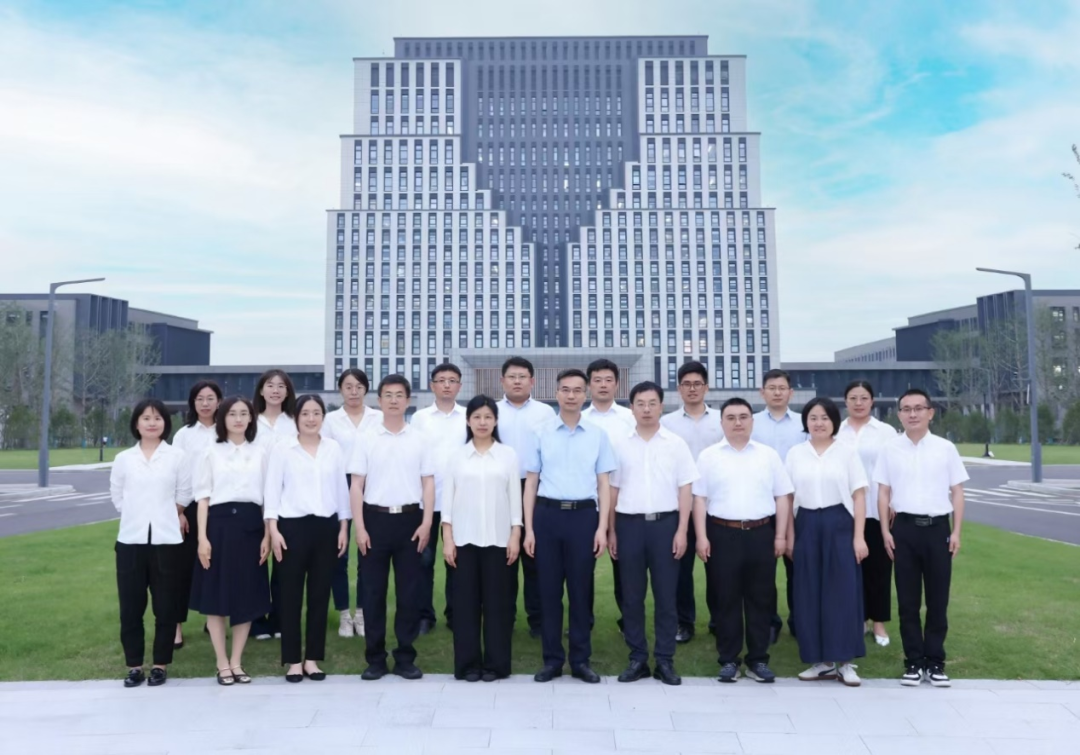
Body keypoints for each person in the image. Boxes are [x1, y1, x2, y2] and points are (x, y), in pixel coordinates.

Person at [523, 368, 616, 684]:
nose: (571, 395)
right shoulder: (541, 432)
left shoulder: (598, 435)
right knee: (548, 592)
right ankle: (552, 660)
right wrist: (529, 529)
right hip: (547, 516)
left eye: (578, 390)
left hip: (583, 517)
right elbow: (531, 483)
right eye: (566, 389)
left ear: (585, 394)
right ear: (557, 393)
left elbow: (603, 483)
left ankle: (580, 660)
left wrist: (602, 527)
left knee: (580, 591)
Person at [692, 397, 793, 684]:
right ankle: (728, 660)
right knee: (726, 598)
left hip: (761, 533)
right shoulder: (709, 456)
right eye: (731, 417)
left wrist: (780, 535)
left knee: (761, 598)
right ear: (722, 422)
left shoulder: (768, 455)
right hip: (721, 533)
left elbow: (782, 497)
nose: (738, 422)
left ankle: (758, 659)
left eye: (743, 417)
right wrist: (701, 537)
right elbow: (699, 499)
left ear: (752, 420)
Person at [875, 389, 968, 688]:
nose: (912, 414)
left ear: (930, 412)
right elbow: (883, 492)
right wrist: (885, 531)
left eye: (918, 408)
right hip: (904, 529)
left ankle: (935, 662)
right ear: (899, 414)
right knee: (908, 601)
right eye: (906, 409)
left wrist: (956, 531)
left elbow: (957, 492)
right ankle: (914, 662)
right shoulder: (890, 449)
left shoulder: (945, 448)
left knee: (938, 600)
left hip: (937, 529)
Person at [609, 381, 698, 686]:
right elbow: (612, 490)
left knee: (666, 596)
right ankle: (637, 658)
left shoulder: (676, 444)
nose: (646, 409)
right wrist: (611, 531)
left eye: (652, 403)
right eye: (640, 404)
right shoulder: (619, 444)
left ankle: (664, 660)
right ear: (631, 408)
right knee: (632, 596)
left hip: (666, 525)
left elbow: (685, 489)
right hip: (628, 525)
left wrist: (682, 530)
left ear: (661, 406)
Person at [348, 374, 435, 681]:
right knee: (373, 592)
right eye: (388, 395)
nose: (394, 400)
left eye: (400, 395)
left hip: (411, 521)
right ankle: (375, 658)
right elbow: (356, 485)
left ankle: (405, 657)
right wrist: (360, 527)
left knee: (409, 593)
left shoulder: (420, 438)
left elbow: (428, 482)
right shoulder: (366, 437)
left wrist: (427, 522)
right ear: (379, 400)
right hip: (375, 520)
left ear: (408, 400)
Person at [264, 395, 350, 683]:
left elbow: (341, 490)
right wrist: (273, 529)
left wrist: (343, 526)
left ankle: (312, 659)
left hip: (326, 528)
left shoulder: (333, 449)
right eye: (305, 414)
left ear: (323, 417)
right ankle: (292, 661)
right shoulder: (283, 449)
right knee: (289, 596)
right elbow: (272, 491)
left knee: (319, 595)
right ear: (296, 417)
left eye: (316, 413)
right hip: (291, 529)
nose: (311, 419)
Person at [785, 398, 869, 687]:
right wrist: (789, 536)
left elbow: (859, 496)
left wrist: (859, 537)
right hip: (806, 524)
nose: (818, 423)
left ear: (834, 421)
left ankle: (845, 662)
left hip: (840, 525)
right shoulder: (795, 454)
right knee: (809, 593)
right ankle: (821, 662)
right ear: (805, 422)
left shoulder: (846, 453)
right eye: (813, 417)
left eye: (824, 417)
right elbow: (788, 498)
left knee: (842, 593)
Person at [189, 396, 271, 686]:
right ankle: (221, 662)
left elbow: (267, 498)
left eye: (244, 413)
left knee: (245, 596)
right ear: (222, 418)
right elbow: (202, 498)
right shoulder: (210, 452)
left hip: (251, 527)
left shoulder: (260, 452)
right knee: (217, 597)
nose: (238, 419)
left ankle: (237, 661)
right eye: (232, 414)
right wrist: (202, 538)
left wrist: (267, 535)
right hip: (218, 527)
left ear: (251, 418)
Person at [109, 398, 191, 688]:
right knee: (130, 609)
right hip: (130, 541)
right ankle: (134, 666)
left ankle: (160, 664)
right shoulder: (124, 459)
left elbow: (184, 493)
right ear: (136, 423)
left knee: (166, 607)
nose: (152, 423)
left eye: (157, 418)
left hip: (167, 541)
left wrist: (164, 514)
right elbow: (117, 496)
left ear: (165, 423)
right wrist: (139, 515)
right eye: (146, 418)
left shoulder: (177, 456)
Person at [442, 395, 522, 681]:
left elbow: (515, 499)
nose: (482, 422)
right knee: (465, 606)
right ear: (468, 421)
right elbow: (447, 502)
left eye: (488, 417)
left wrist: (515, 534)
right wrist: (448, 539)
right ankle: (468, 665)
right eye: (477, 417)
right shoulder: (457, 457)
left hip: (500, 541)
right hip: (464, 541)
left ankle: (496, 665)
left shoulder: (508, 455)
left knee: (498, 606)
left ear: (496, 421)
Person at [660, 361, 722, 644]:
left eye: (697, 384)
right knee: (680, 570)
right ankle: (684, 623)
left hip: (716, 505)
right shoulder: (667, 423)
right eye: (687, 384)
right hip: (679, 506)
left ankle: (719, 620)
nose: (692, 389)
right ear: (679, 389)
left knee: (718, 569)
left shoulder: (721, 419)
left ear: (706, 387)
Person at [496, 356, 556, 637]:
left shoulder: (545, 413)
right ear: (502, 381)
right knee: (503, 558)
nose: (517, 381)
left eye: (522, 377)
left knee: (535, 558)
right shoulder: (492, 411)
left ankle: (538, 620)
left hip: (535, 488)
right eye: (512, 376)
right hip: (499, 490)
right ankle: (503, 618)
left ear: (532, 381)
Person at [322, 368, 383, 639]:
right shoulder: (330, 420)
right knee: (340, 552)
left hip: (372, 484)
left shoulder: (378, 418)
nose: (354, 391)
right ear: (341, 390)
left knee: (368, 551)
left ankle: (362, 612)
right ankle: (345, 614)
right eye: (348, 386)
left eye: (359, 386)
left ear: (366, 389)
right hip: (339, 484)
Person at [838, 380, 898, 647]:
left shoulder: (885, 432)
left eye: (864, 398)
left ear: (872, 401)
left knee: (879, 568)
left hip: (876, 508)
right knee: (852, 568)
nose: (858, 403)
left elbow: (895, 469)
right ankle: (859, 618)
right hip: (844, 509)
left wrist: (893, 500)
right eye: (853, 398)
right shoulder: (837, 430)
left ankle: (879, 622)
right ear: (845, 401)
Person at [410, 362, 467, 635]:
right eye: (441, 380)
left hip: (460, 502)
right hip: (427, 503)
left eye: (452, 380)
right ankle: (424, 616)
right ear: (432, 385)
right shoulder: (420, 418)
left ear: (459, 386)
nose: (446, 385)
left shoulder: (468, 416)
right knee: (423, 561)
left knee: (458, 562)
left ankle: (457, 614)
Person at [751, 368, 807, 644]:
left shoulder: (803, 424)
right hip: (762, 504)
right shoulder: (751, 423)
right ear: (762, 392)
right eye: (771, 388)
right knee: (764, 570)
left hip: (798, 504)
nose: (776, 392)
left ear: (790, 392)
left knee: (798, 566)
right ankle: (769, 621)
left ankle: (799, 619)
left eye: (782, 388)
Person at [581, 358, 635, 633]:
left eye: (608, 380)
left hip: (624, 502)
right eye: (597, 380)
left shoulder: (630, 418)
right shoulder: (579, 418)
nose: (603, 385)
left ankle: (629, 621)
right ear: (589, 385)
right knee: (581, 568)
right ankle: (583, 620)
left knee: (624, 567)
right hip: (587, 501)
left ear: (617, 384)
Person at [170, 379, 222, 649]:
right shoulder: (184, 435)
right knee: (181, 569)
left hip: (220, 507)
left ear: (219, 401)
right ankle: (176, 626)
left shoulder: (227, 431)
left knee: (218, 567)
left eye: (210, 398)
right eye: (200, 399)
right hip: (190, 508)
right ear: (193, 403)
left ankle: (213, 619)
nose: (205, 403)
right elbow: (176, 474)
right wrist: (178, 511)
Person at [251, 369, 299, 641]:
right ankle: (257, 620)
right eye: (270, 385)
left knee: (284, 562)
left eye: (281, 386)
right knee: (255, 562)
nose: (275, 390)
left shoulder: (294, 422)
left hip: (287, 500)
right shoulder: (250, 420)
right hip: (253, 498)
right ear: (261, 390)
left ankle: (280, 619)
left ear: (288, 392)